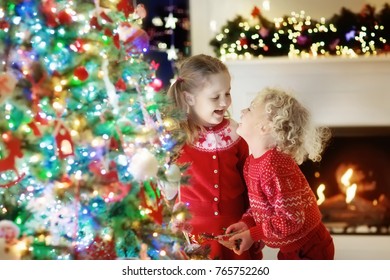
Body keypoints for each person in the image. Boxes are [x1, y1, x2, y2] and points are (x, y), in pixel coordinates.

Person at [226, 87, 335, 260]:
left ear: (265, 127)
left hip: (310, 247)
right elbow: (261, 206)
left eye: (250, 109)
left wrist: (254, 234)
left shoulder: (275, 166)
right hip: (290, 247)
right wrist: (246, 223)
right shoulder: (251, 163)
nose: (242, 111)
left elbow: (291, 219)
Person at [167, 54, 257, 260]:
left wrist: (250, 225)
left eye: (228, 93)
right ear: (190, 98)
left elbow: (252, 186)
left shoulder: (238, 132)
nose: (224, 102)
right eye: (215, 97)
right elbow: (165, 190)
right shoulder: (174, 136)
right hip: (192, 238)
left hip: (235, 233)